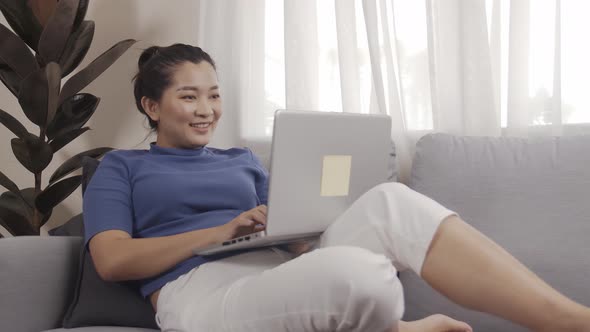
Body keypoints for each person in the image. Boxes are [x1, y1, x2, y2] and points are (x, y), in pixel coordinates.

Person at [84, 43, 590, 332]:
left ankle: (567, 320)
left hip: (286, 269)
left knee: (390, 204)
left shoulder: (239, 158)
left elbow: (287, 229)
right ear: (152, 107)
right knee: (361, 275)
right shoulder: (120, 168)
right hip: (199, 294)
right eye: (188, 96)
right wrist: (220, 232)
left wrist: (303, 232)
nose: (206, 109)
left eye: (213, 96)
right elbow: (111, 261)